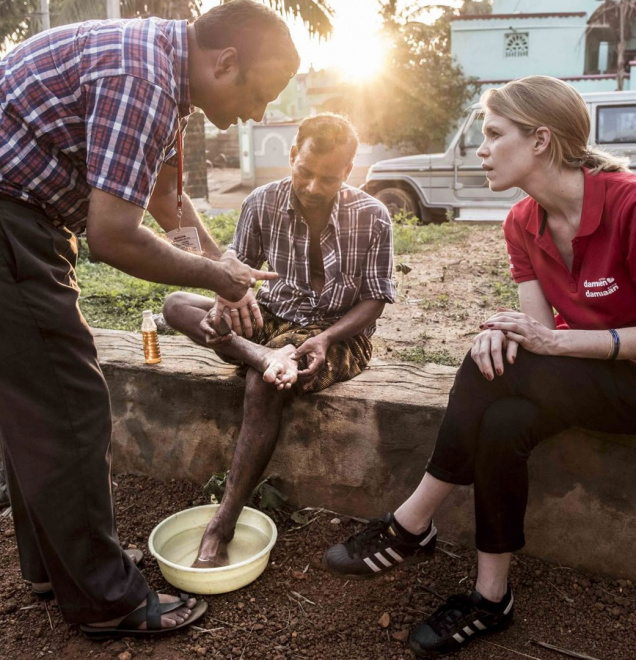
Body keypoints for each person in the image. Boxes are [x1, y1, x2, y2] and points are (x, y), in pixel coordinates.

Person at [0, 0, 299, 636]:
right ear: (226, 62)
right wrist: (218, 278)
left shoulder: (161, 70)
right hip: (9, 227)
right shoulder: (143, 81)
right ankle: (111, 604)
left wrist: (226, 268)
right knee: (69, 411)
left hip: (22, 224)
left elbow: (166, 197)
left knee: (36, 413)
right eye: (261, 93)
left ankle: (59, 568)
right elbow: (114, 235)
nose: (260, 114)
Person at [322, 75, 636, 656]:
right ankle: (492, 599)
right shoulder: (521, 222)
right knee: (501, 415)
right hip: (588, 380)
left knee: (493, 364)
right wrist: (504, 334)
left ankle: (412, 522)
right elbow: (533, 331)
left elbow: (552, 343)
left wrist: (557, 345)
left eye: (494, 134)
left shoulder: (630, 203)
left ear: (540, 140)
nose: (481, 148)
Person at [163, 113, 396, 568]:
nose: (312, 186)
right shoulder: (261, 201)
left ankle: (223, 521)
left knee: (263, 385)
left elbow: (374, 300)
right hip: (272, 318)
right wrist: (229, 303)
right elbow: (234, 271)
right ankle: (262, 355)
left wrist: (326, 339)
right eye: (305, 171)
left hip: (336, 334)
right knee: (175, 305)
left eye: (327, 178)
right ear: (292, 155)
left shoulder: (373, 215)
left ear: (347, 171)